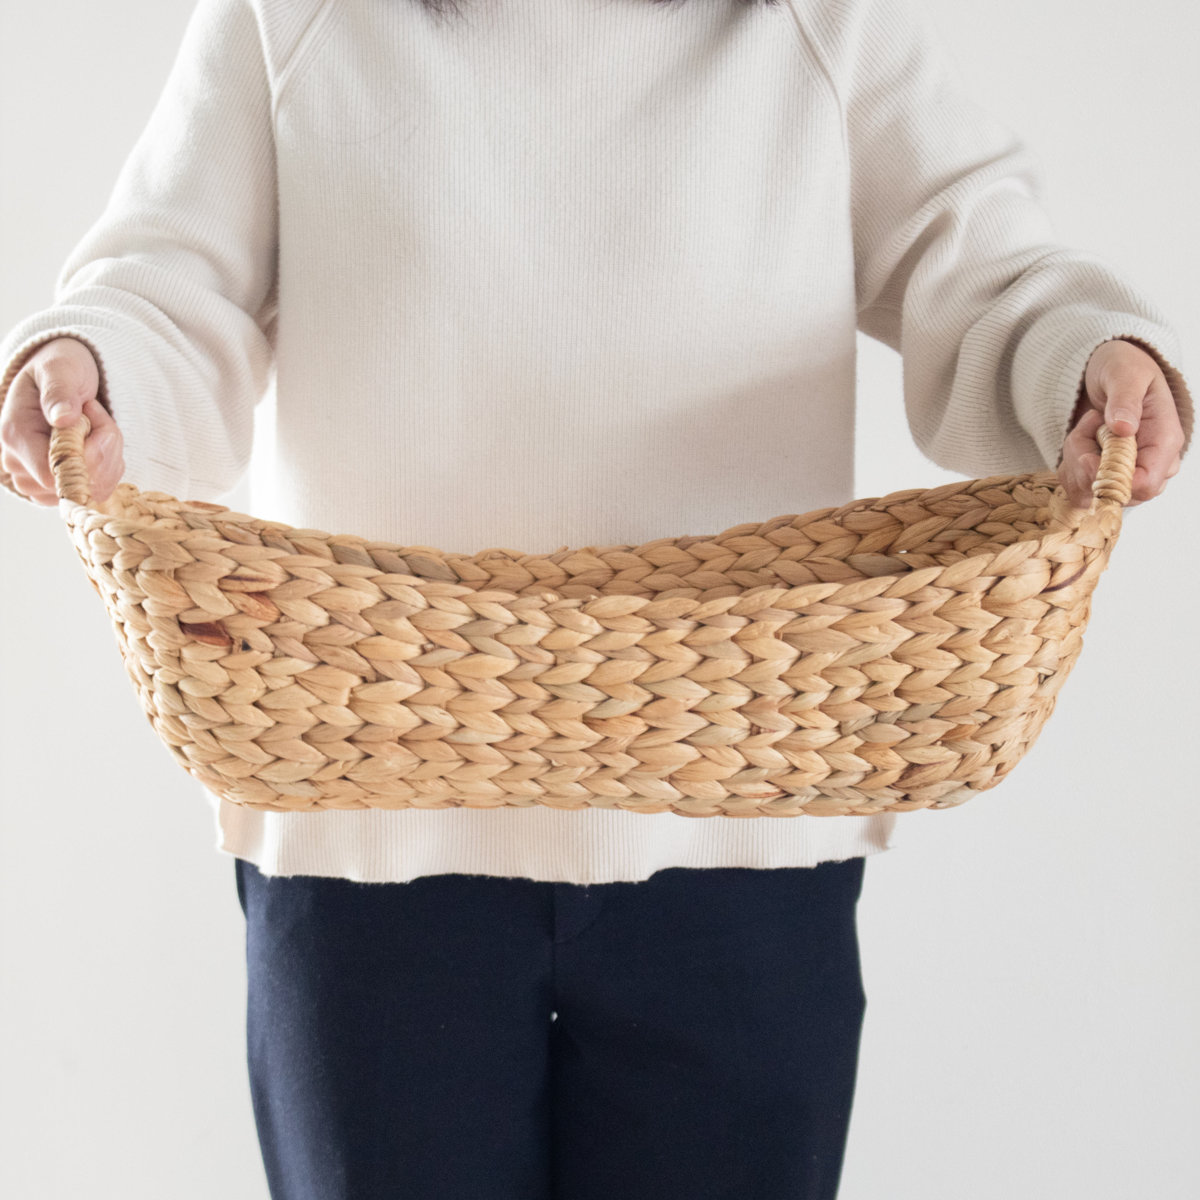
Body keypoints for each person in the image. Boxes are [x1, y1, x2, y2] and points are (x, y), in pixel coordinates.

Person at [0, 0, 1191, 1196]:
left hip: (739, 829)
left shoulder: (819, 20)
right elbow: (167, 285)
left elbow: (980, 267)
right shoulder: (294, 17)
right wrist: (92, 368)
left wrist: (1089, 359)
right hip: (370, 835)